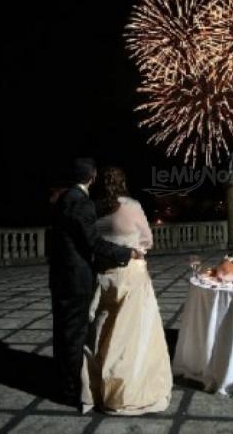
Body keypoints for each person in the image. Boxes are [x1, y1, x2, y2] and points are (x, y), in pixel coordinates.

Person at [48, 157, 143, 407]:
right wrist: (127, 253)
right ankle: (70, 391)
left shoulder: (62, 199)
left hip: (60, 276)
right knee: (74, 334)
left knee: (62, 332)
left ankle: (62, 381)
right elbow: (94, 243)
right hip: (74, 279)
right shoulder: (82, 203)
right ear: (92, 177)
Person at [80, 166, 172, 415]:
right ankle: (126, 389)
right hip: (131, 273)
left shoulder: (96, 208)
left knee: (104, 327)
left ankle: (99, 387)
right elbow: (148, 240)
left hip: (104, 275)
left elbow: (92, 241)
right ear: (123, 184)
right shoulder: (131, 206)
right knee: (133, 333)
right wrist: (133, 245)